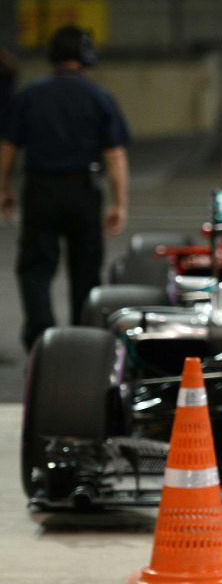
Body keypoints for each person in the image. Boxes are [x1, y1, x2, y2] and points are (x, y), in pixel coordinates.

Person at [0, 25, 130, 351]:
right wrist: (120, 204)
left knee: (36, 268)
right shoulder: (99, 97)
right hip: (83, 189)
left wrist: (3, 188)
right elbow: (114, 155)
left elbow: (8, 148)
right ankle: (82, 341)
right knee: (85, 270)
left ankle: (41, 339)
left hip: (40, 189)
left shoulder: (30, 94)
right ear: (86, 57)